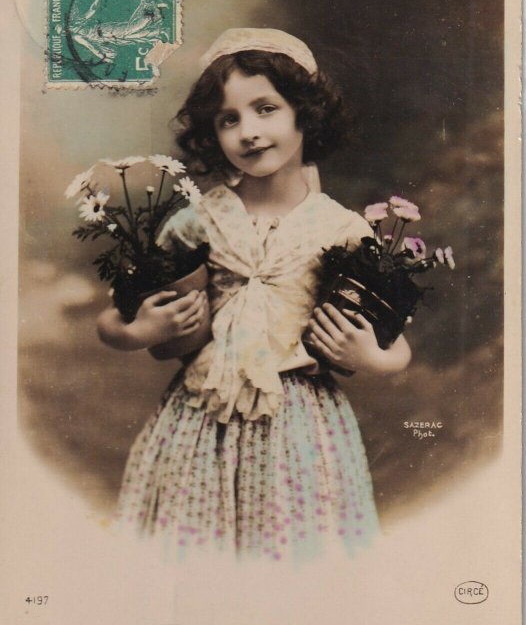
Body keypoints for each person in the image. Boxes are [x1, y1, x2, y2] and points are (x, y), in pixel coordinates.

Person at [97, 28, 411, 561]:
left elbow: (398, 344)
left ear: (304, 114)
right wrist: (137, 331)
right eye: (229, 119)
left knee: (296, 561)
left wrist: (371, 357)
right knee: (193, 559)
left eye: (266, 108)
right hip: (200, 416)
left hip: (302, 426)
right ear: (212, 133)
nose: (249, 131)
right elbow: (112, 317)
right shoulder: (197, 220)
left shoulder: (343, 229)